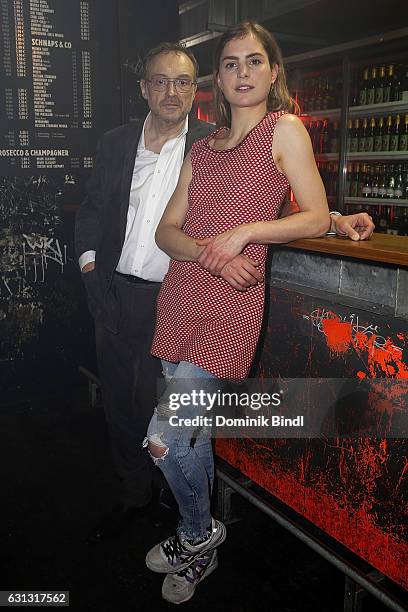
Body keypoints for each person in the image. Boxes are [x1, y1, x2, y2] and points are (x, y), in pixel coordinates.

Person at [75, 38, 374, 542]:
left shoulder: (243, 133)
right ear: (143, 88)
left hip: (184, 298)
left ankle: (192, 525)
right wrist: (89, 274)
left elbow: (267, 198)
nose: (172, 91)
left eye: (183, 81)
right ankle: (137, 499)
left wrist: (331, 219)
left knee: (167, 427)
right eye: (161, 81)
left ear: (197, 89)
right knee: (127, 409)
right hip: (131, 293)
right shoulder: (137, 143)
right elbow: (100, 212)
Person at [142, 22, 374, 605]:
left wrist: (245, 233)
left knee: (165, 438)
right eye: (229, 64)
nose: (242, 72)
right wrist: (213, 253)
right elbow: (166, 232)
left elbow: (313, 214)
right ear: (217, 79)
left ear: (274, 72)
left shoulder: (285, 128)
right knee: (188, 434)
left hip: (230, 304)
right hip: (185, 293)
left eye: (253, 61)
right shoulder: (203, 147)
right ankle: (193, 534)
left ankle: (200, 534)